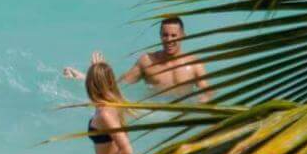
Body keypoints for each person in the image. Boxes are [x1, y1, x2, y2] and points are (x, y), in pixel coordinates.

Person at [65, 17, 211, 101]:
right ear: (160, 36)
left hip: (182, 117)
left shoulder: (194, 65)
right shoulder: (147, 62)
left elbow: (208, 92)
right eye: (165, 35)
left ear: (183, 36)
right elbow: (119, 85)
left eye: (174, 35)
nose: (169, 40)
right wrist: (91, 77)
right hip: (153, 114)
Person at [78, 56, 133, 154]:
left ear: (91, 85)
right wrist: (98, 70)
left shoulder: (105, 114)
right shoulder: (114, 102)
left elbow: (127, 150)